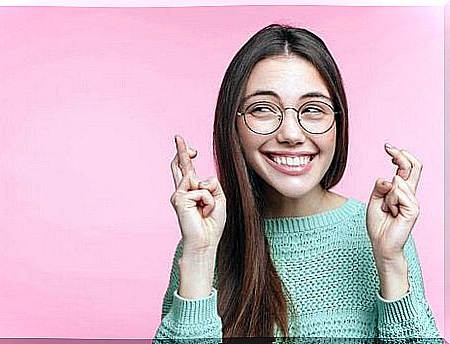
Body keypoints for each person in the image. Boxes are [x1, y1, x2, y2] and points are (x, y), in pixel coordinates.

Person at [152, 24, 440, 342]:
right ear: (232, 125)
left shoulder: (383, 237)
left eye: (313, 109)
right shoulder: (205, 240)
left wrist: (390, 262)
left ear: (338, 124)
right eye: (263, 109)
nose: (291, 134)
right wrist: (200, 256)